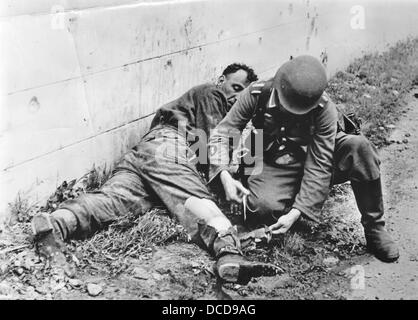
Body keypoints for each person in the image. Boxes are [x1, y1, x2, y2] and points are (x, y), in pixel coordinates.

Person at [31, 63, 281, 284]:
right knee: (195, 197)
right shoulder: (210, 93)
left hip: (146, 155)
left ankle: (57, 223)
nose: (236, 96)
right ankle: (229, 252)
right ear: (221, 81)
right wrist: (230, 181)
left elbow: (212, 149)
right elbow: (212, 147)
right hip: (168, 148)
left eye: (243, 92)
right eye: (235, 87)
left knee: (116, 200)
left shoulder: (213, 108)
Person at [208, 55, 399, 263]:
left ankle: (374, 228)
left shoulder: (325, 109)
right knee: (261, 208)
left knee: (360, 148)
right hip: (276, 161)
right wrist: (224, 174)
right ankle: (291, 198)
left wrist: (298, 212)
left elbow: (320, 164)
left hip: (314, 156)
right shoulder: (256, 93)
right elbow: (222, 134)